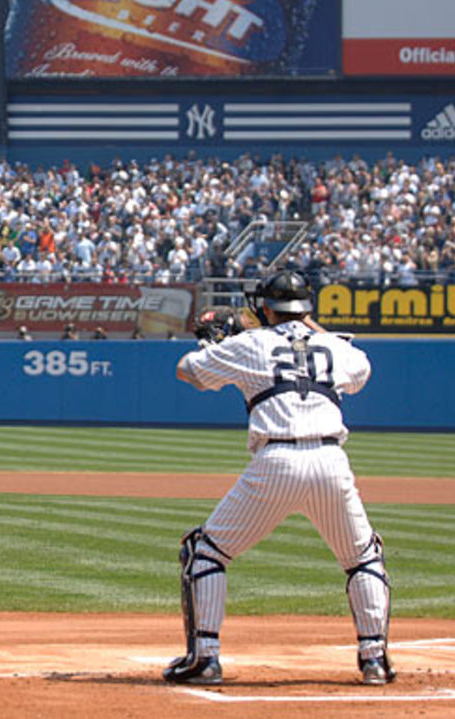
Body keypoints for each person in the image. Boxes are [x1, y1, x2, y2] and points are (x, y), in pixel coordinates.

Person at [163, 271, 394, 687]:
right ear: (308, 308)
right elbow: (361, 371)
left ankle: (206, 659)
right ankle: (374, 659)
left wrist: (214, 344)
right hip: (330, 462)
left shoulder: (249, 343)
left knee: (207, 553)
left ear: (265, 307)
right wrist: (308, 327)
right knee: (362, 557)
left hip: (276, 462)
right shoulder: (335, 346)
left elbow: (187, 371)